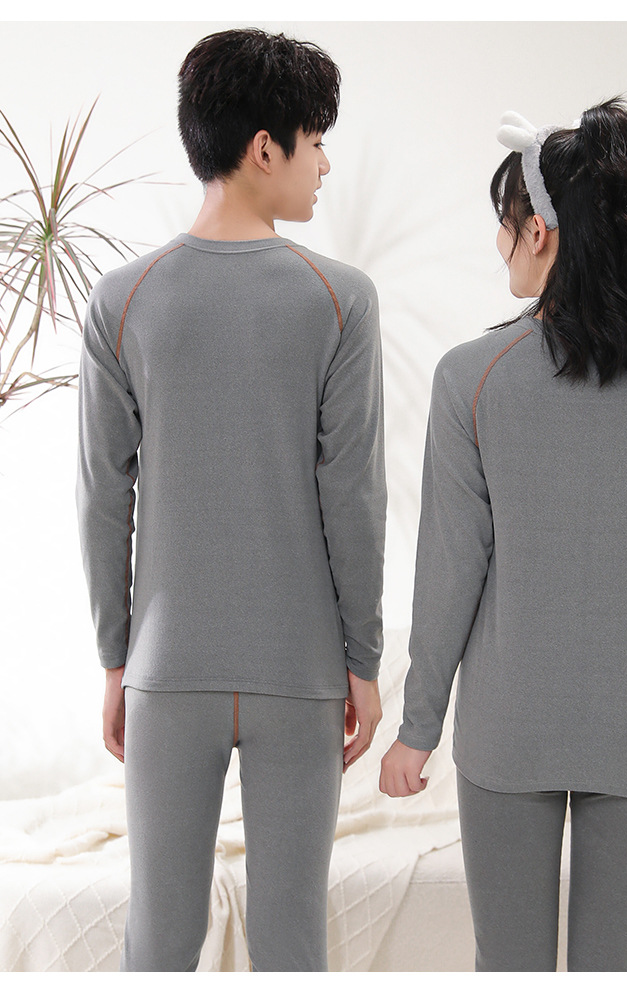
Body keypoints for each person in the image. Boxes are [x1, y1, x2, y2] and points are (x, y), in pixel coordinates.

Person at [379, 97, 627, 972]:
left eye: (506, 222)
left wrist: (418, 727)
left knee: (506, 963)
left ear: (541, 231)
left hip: (506, 735)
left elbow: (449, 572)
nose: (500, 242)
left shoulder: (470, 378)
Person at [76, 28, 386, 972]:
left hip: (168, 668)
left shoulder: (122, 299)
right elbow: (353, 496)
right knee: (292, 944)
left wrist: (116, 658)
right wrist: (363, 661)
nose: (324, 164)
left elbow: (103, 498)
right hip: (302, 670)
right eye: (315, 140)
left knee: (159, 941)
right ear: (264, 148)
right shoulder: (340, 298)